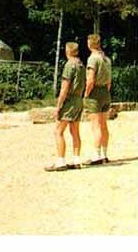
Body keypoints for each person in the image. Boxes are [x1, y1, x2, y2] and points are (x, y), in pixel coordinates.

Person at [45, 42, 86, 172]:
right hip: (79, 99)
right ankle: (76, 160)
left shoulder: (69, 65)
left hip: (70, 101)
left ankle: (60, 161)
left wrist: (58, 105)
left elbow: (64, 88)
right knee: (75, 131)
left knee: (58, 131)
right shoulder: (81, 65)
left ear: (67, 51)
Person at [84, 33, 112, 164]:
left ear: (90, 44)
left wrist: (86, 93)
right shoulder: (107, 59)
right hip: (105, 92)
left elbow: (90, 80)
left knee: (96, 126)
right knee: (104, 125)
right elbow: (109, 81)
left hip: (95, 93)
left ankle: (96, 155)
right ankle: (105, 154)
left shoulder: (92, 59)